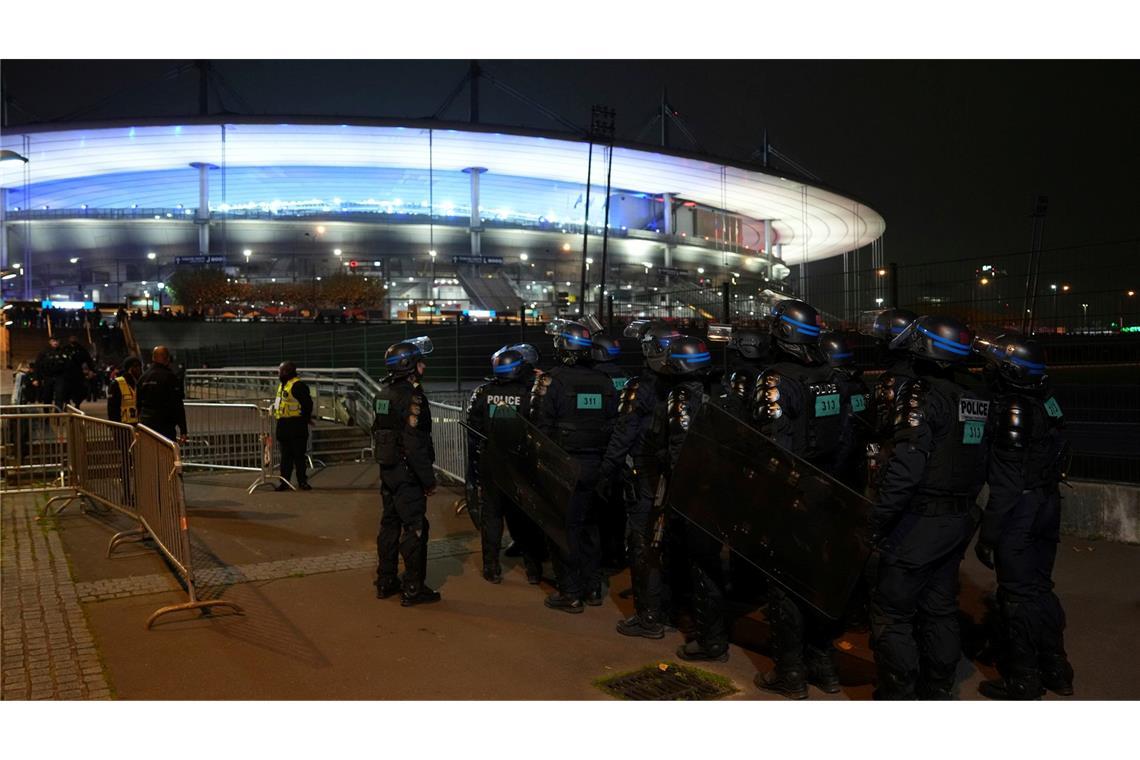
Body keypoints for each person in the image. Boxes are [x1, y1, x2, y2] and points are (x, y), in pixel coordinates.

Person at [867, 315, 989, 700]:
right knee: (939, 607)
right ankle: (937, 691)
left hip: (919, 520)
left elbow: (906, 468)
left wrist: (878, 518)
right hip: (958, 517)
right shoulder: (976, 394)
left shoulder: (920, 394)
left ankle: (898, 695)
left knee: (892, 611)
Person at [747, 300, 851, 699]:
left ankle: (790, 673)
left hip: (791, 492)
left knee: (784, 584)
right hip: (828, 488)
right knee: (819, 579)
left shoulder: (775, 379)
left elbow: (773, 447)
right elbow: (843, 438)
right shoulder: (833, 377)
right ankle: (824, 667)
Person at [974, 334, 1074, 699]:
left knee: (1016, 596)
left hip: (1022, 510)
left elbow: (1007, 482)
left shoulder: (1013, 408)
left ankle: (1024, 679)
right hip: (1048, 502)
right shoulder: (1046, 402)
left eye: (996, 366)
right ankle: (1057, 669)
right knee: (1040, 588)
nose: (989, 371)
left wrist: (989, 532)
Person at [598, 319, 683, 637]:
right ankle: (671, 611)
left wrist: (607, 471)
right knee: (672, 543)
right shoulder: (689, 385)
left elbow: (623, 435)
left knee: (643, 543)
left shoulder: (640, 387)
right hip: (679, 476)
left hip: (647, 476)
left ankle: (648, 617)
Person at [530, 320, 618, 614]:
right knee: (591, 526)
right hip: (598, 465)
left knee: (563, 527)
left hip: (564, 466)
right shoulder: (605, 382)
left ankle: (570, 592)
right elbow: (612, 424)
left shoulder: (551, 381)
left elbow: (540, 428)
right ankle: (593, 587)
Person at [466, 343, 545, 585]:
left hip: (491, 461)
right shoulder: (528, 394)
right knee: (524, 517)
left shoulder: (483, 392)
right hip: (520, 463)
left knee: (491, 516)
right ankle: (533, 570)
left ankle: (491, 568)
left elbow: (473, 426)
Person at [372, 337, 440, 607]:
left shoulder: (382, 393)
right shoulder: (413, 397)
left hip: (388, 470)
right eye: (419, 362)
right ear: (409, 366)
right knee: (415, 528)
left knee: (389, 526)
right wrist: (428, 479)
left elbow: (377, 430)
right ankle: (413, 587)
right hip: (408, 473)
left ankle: (386, 580)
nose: (423, 367)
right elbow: (415, 444)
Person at [865, 308, 919, 497]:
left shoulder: (890, 381)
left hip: (896, 473)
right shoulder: (927, 376)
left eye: (880, 340)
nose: (877, 345)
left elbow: (876, 433)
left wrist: (872, 460)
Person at [590, 333, 631, 574]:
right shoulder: (625, 377)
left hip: (600, 449)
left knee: (599, 508)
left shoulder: (596, 378)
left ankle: (604, 557)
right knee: (619, 506)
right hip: (622, 449)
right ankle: (618, 554)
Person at [273, 361, 315, 492]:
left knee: (298, 455)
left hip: (296, 425)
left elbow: (308, 404)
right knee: (285, 456)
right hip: (283, 425)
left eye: (280, 371)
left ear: (286, 372)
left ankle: (302, 481)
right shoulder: (283, 385)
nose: (278, 373)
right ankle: (284, 482)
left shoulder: (298, 385)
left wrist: (306, 418)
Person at [137, 346, 188, 442]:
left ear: (153, 358)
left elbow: (138, 404)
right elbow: (177, 404)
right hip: (164, 426)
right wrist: (183, 430)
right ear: (167, 358)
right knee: (166, 454)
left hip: (146, 425)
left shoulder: (143, 377)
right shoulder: (170, 377)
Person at [719, 326, 767, 419]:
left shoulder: (743, 376)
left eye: (734, 352)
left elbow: (734, 410)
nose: (731, 356)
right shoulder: (762, 371)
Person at [34, 337, 69, 409]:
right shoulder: (44, 352)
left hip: (59, 377)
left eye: (57, 341)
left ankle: (58, 413)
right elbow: (37, 366)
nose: (55, 343)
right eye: (53, 341)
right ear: (50, 342)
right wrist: (36, 378)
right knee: (47, 396)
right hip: (47, 377)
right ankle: (47, 414)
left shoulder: (63, 352)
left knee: (59, 396)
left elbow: (68, 366)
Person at [107, 356, 142, 424]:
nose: (139, 369)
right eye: (136, 366)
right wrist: (114, 425)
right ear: (129, 368)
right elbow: (112, 408)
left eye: (139, 366)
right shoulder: (117, 383)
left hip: (138, 424)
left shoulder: (139, 383)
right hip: (122, 425)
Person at [62, 335, 94, 408]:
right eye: (71, 338)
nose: (73, 339)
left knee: (79, 390)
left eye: (74, 338)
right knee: (66, 389)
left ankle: (77, 404)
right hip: (67, 373)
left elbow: (88, 360)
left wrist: (91, 370)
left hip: (78, 372)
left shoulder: (81, 349)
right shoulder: (65, 349)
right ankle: (67, 403)